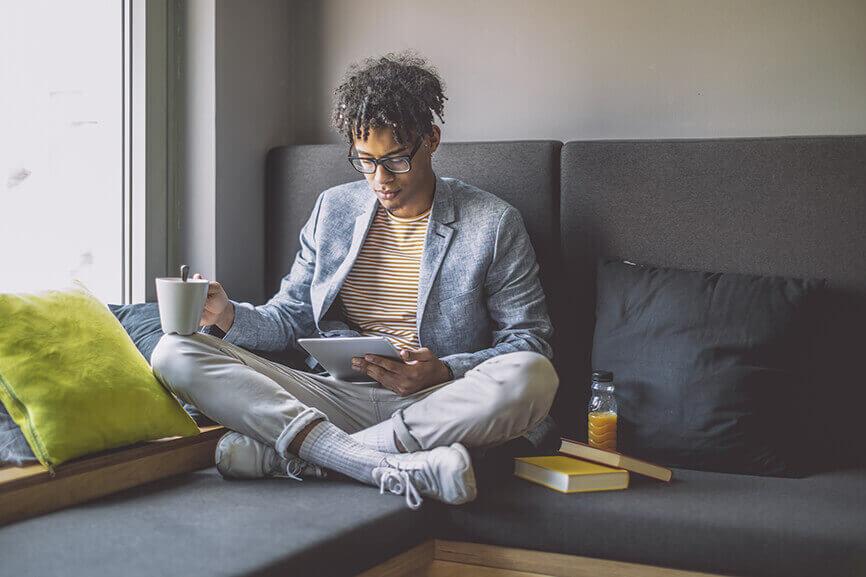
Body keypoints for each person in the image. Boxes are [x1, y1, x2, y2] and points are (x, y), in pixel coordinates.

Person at [151, 51, 558, 510]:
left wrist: (443, 369)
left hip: (437, 402)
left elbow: (529, 343)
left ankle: (309, 457)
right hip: (334, 395)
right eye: (365, 161)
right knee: (174, 350)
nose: (380, 179)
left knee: (533, 376)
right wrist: (227, 316)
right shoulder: (333, 210)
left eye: (397, 161)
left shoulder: (493, 223)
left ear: (433, 140)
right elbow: (290, 317)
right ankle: (381, 462)